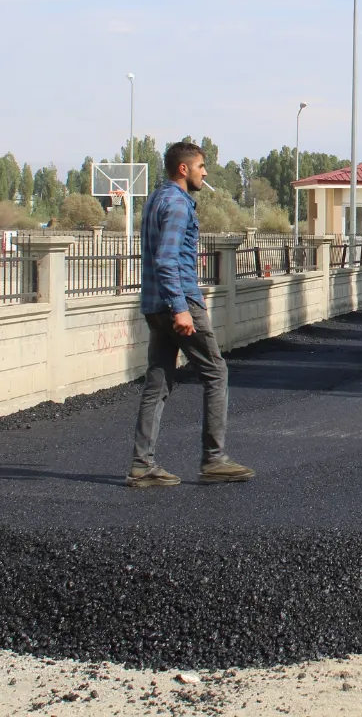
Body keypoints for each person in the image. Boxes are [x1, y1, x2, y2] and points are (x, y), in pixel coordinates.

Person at [125, 141, 255, 488]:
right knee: (215, 372)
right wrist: (182, 309)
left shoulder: (155, 199)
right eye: (201, 166)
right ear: (183, 168)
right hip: (177, 303)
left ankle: (142, 464)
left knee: (158, 380)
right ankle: (214, 459)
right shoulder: (179, 205)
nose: (205, 172)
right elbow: (167, 260)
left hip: (154, 304)